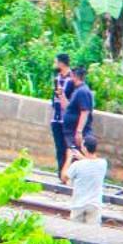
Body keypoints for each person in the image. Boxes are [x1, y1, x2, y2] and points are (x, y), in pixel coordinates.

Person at [64, 137, 108, 226]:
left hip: (78, 204)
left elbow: (64, 177)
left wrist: (68, 158)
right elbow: (91, 164)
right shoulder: (103, 163)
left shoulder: (77, 165)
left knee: (75, 233)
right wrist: (82, 157)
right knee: (92, 233)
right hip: (94, 204)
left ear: (84, 148)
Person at [63, 65, 96, 176]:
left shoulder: (83, 91)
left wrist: (79, 131)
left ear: (74, 76)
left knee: (78, 154)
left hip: (77, 131)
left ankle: (68, 176)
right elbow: (68, 107)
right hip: (71, 130)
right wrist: (61, 95)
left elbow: (85, 111)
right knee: (73, 155)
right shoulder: (77, 91)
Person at [46, 53, 74, 181]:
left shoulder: (72, 78)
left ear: (62, 63)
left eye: (56, 62)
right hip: (56, 117)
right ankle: (60, 173)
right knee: (59, 147)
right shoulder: (57, 77)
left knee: (69, 147)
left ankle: (68, 173)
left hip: (67, 118)